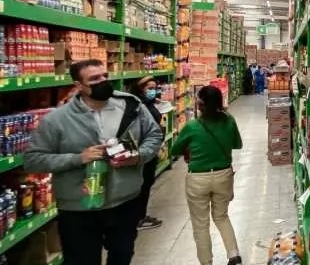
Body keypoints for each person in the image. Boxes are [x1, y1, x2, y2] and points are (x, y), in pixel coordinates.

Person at [24, 59, 164, 265]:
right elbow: (33, 160)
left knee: (122, 256)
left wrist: (139, 155)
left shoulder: (131, 105)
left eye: (105, 76)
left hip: (125, 201)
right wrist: (79, 158)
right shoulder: (57, 120)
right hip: (79, 208)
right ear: (78, 85)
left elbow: (154, 134)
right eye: (94, 79)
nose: (103, 81)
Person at [171, 85, 243, 265]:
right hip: (223, 175)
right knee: (221, 216)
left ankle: (206, 262)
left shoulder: (192, 126)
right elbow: (238, 144)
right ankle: (234, 254)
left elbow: (174, 150)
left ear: (201, 104)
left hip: (198, 178)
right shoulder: (229, 120)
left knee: (200, 224)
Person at [130, 76, 164, 231]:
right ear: (140, 89)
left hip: (150, 150)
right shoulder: (138, 106)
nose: (153, 91)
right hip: (143, 152)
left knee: (147, 183)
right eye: (149, 88)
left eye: (154, 88)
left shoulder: (148, 104)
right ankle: (137, 218)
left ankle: (140, 215)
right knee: (142, 185)